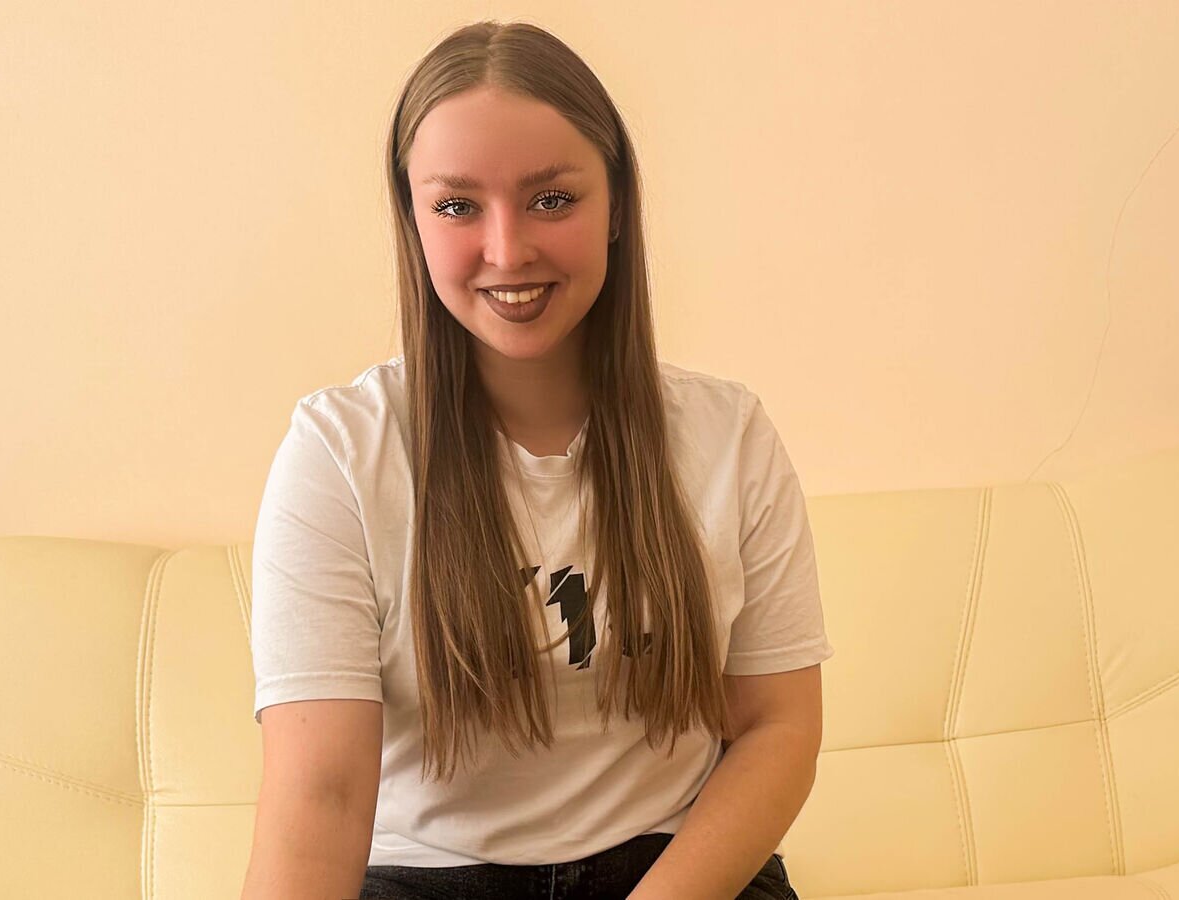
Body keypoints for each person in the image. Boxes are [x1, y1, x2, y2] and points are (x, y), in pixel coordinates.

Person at [244, 19, 831, 900]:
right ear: (412, 219)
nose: (508, 249)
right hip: (426, 877)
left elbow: (777, 729)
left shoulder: (729, 435)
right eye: (457, 206)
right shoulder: (338, 453)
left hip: (672, 866)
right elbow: (320, 795)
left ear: (618, 205)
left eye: (552, 199)